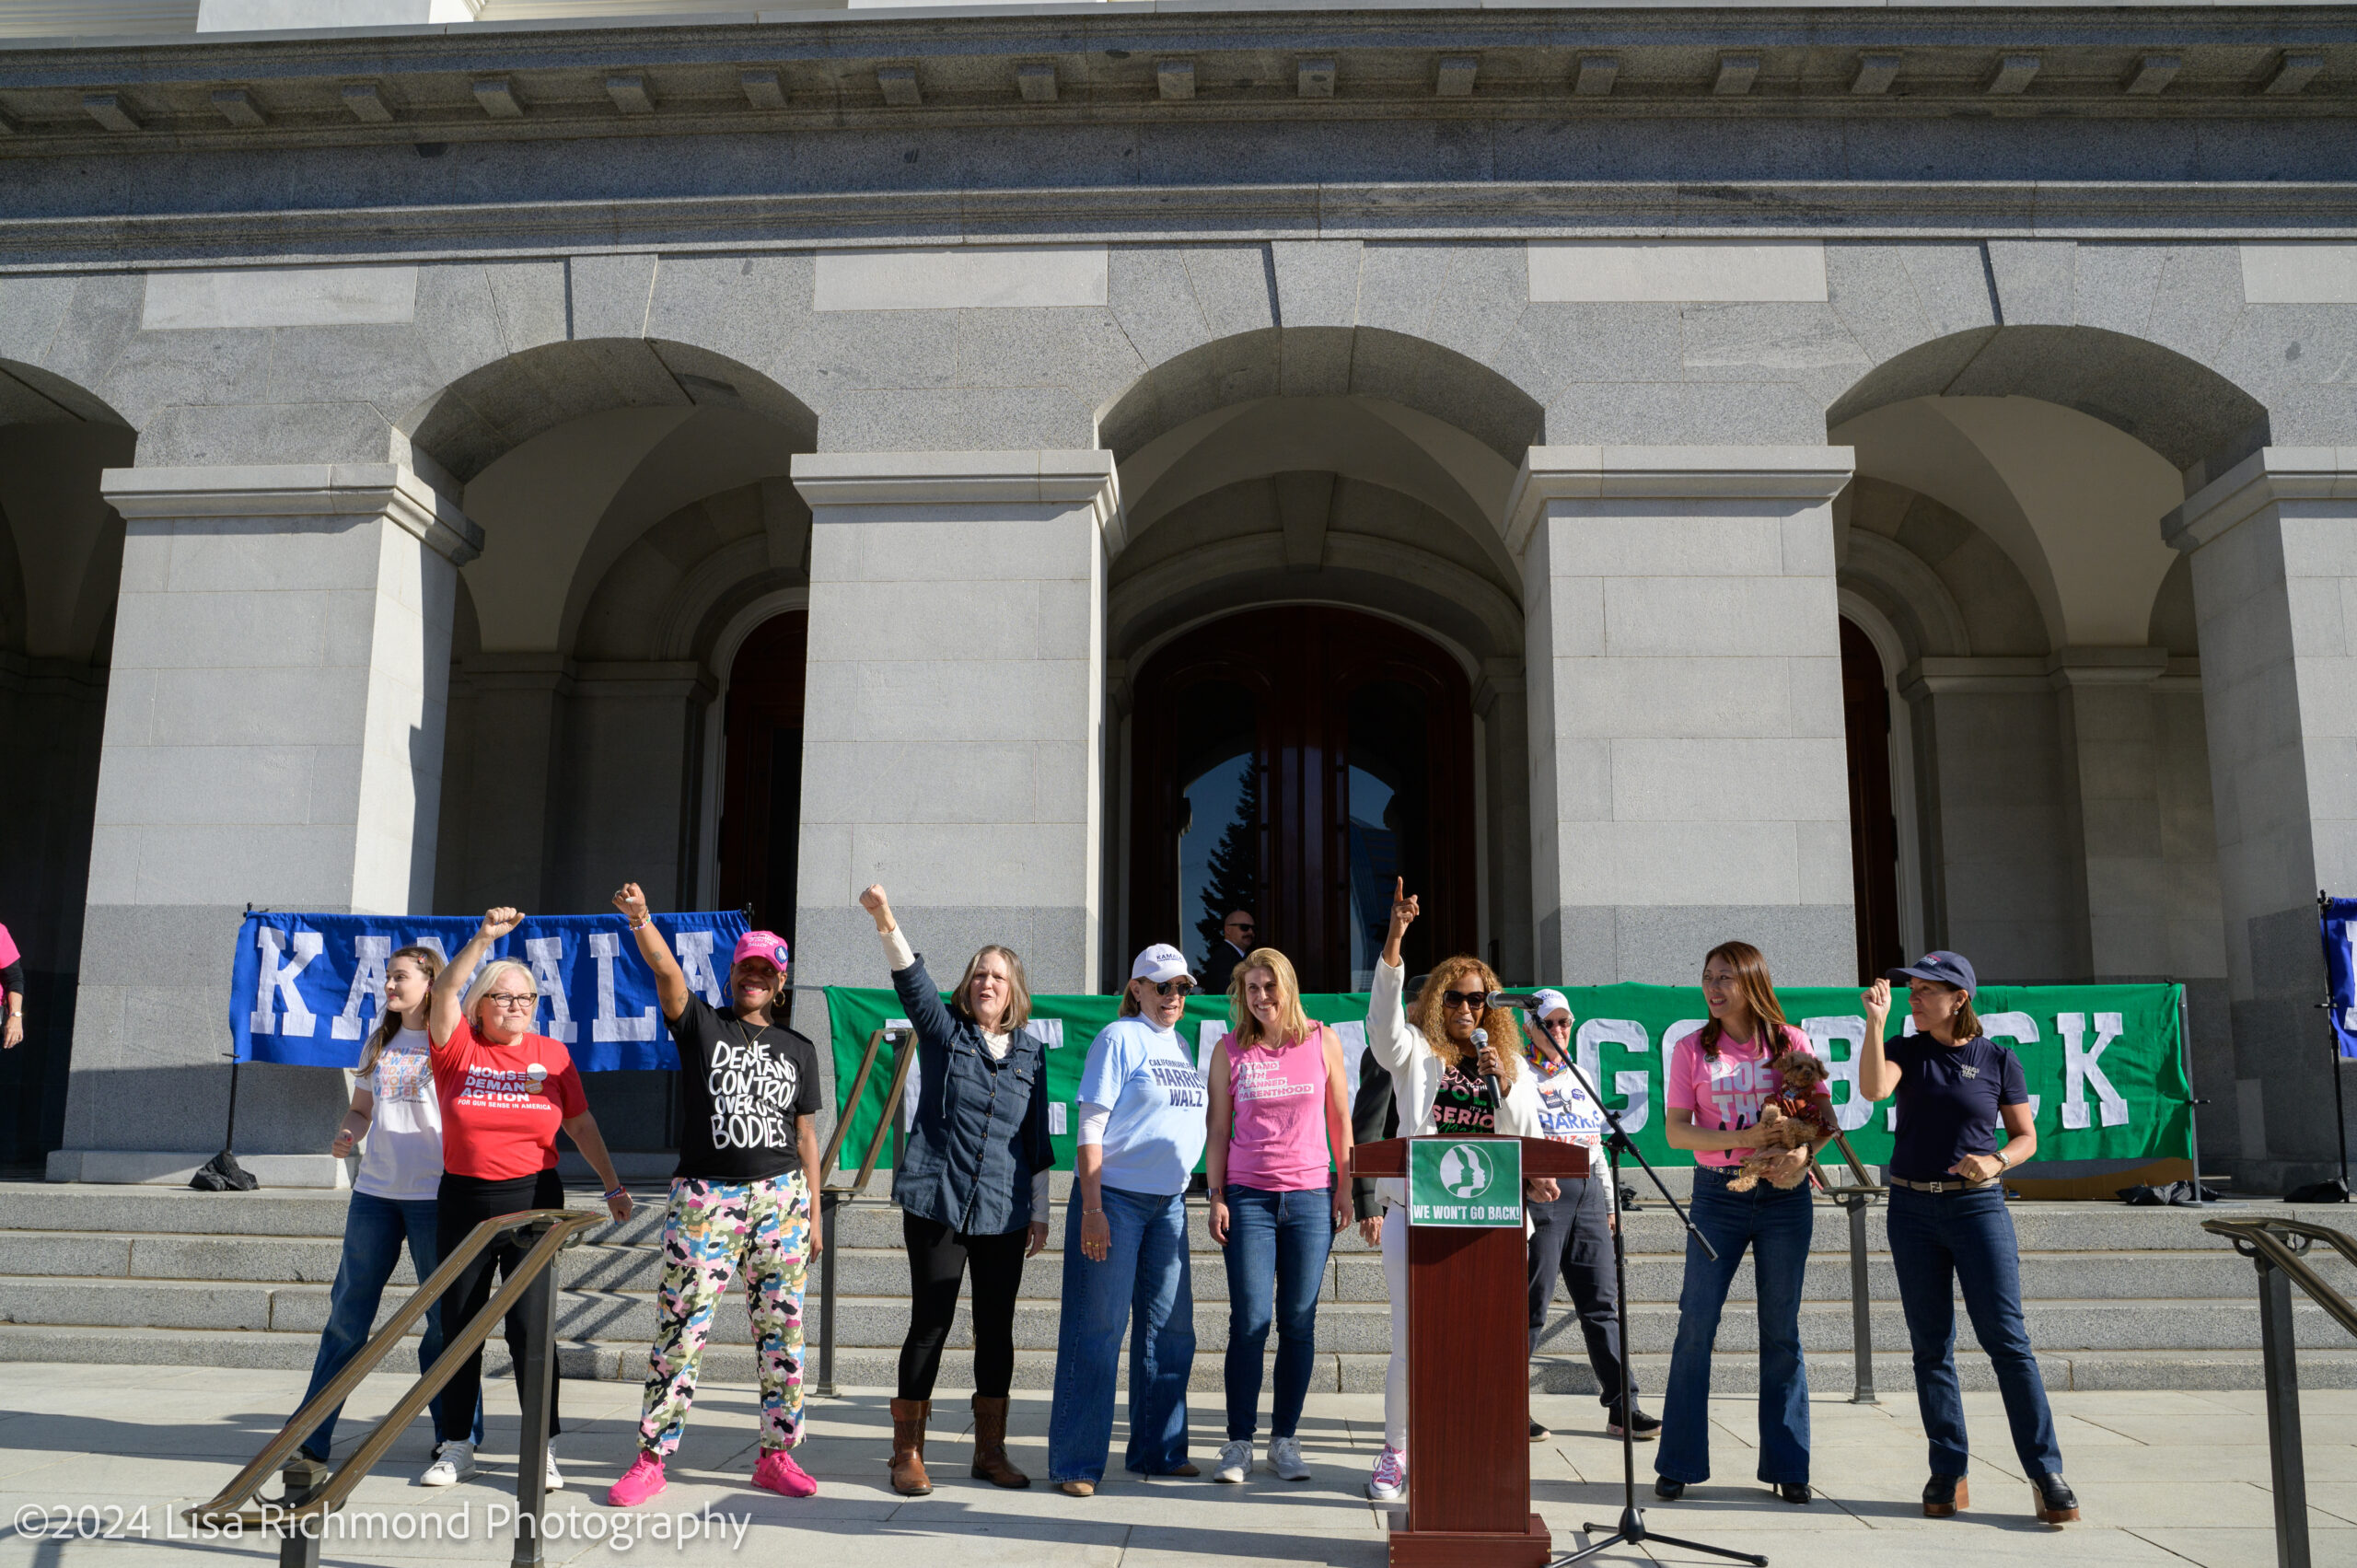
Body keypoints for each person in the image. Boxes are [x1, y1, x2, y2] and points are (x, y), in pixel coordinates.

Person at [607, 886, 826, 1507]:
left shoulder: (799, 1050)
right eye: (746, 967)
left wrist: (811, 1212)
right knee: (682, 1326)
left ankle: (776, 1454)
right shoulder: (703, 1024)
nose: (754, 977)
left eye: (766, 971)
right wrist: (642, 920)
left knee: (782, 1330)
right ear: (731, 974)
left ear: (779, 984)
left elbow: (806, 1133)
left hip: (781, 1198)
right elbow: (667, 973)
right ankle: (651, 1458)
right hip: (706, 1196)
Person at [1861, 953, 2078, 1525]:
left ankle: (2044, 1471)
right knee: (1931, 1347)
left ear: (1959, 998)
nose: (1914, 997)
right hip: (1910, 1208)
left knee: (2007, 1341)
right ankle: (1948, 1470)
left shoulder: (1998, 1059)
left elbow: (2027, 1136)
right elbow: (1874, 1090)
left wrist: (1998, 1160)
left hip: (1977, 1209)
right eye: (1912, 989)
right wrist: (1876, 1022)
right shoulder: (1905, 1049)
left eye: (1926, 990)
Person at [423, 907, 632, 1492]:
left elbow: (582, 1125)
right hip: (466, 1201)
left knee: (531, 1329)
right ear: (480, 1005)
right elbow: (443, 990)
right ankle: (457, 1441)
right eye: (504, 998)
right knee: (459, 1325)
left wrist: (613, 1185)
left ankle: (543, 1446)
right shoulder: (457, 1050)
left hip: (536, 1201)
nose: (517, 1007)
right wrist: (485, 939)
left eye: (527, 998)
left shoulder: (554, 1055)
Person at [1363, 880, 1556, 1504]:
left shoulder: (1512, 1063)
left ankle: (1475, 1448)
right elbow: (1380, 1028)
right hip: (1416, 1214)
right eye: (1455, 997)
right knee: (1409, 1340)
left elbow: (1524, 1137)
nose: (1466, 1009)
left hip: (1489, 1221)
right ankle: (1397, 1450)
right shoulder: (1415, 1051)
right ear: (1438, 999)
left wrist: (1502, 1084)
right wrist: (1394, 941)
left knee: (1482, 1342)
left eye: (1478, 1000)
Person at [858, 882, 1052, 1496]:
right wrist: (885, 917)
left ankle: (989, 1451)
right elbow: (913, 982)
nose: (985, 983)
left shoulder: (1033, 1054)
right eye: (978, 975)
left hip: (1005, 1209)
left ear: (1014, 990)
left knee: (996, 1329)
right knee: (930, 1322)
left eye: (997, 976)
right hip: (938, 1201)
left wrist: (1040, 1213)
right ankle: (906, 1452)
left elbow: (1037, 1142)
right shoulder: (946, 1035)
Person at [284, 945, 482, 1492]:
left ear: (430, 983)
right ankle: (310, 1439)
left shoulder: (453, 1039)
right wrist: (350, 1132)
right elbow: (362, 1108)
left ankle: (457, 1436)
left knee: (445, 1322)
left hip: (437, 1197)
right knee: (348, 1318)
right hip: (374, 1194)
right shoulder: (380, 1042)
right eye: (386, 978)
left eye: (400, 978)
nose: (389, 986)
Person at [1655, 941, 1832, 1506]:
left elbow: (1822, 1118)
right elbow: (1678, 1133)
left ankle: (1788, 1464)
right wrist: (1744, 1139)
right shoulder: (1691, 1048)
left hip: (1785, 1198)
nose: (1713, 988)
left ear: (1752, 982)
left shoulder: (1790, 1042)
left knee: (1781, 1330)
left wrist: (1801, 1157)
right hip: (1718, 1196)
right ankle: (1679, 1461)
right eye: (1707, 977)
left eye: (1725, 978)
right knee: (1695, 1326)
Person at [1047, 943, 1209, 1496]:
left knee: (1171, 1332)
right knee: (1098, 1331)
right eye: (1162, 986)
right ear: (1136, 988)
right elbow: (1090, 1127)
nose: (1174, 997)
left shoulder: (1181, 1044)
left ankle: (1158, 1451)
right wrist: (1091, 1208)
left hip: (1168, 1205)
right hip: (1113, 1200)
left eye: (1182, 987)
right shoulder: (1118, 1038)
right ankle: (1076, 1463)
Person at [1204, 947, 1352, 1484]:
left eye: (1270, 986)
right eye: (1252, 989)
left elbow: (1340, 1118)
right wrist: (1215, 1194)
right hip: (1248, 1198)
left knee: (1297, 1321)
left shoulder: (1322, 1039)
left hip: (1312, 1197)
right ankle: (1238, 1444)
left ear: (1288, 988)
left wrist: (1346, 1188)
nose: (1262, 997)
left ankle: (1283, 1440)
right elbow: (1218, 1129)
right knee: (1249, 1322)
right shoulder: (1229, 1050)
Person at [1522, 989, 1655, 1443]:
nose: (1559, 1030)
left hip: (1587, 1195)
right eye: (1550, 1023)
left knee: (1602, 1303)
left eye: (1565, 1022)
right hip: (1540, 1194)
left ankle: (1624, 1407)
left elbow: (1595, 1142)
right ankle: (1509, 1404)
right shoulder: (1516, 1073)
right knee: (1530, 1306)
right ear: (1530, 1026)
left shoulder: (1579, 1074)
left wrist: (1609, 1201)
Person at [1199, 910, 1255, 998]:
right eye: (1244, 927)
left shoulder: (1246, 957)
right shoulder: (1222, 958)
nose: (1250, 932)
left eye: (1253, 928)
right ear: (1228, 929)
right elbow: (1230, 994)